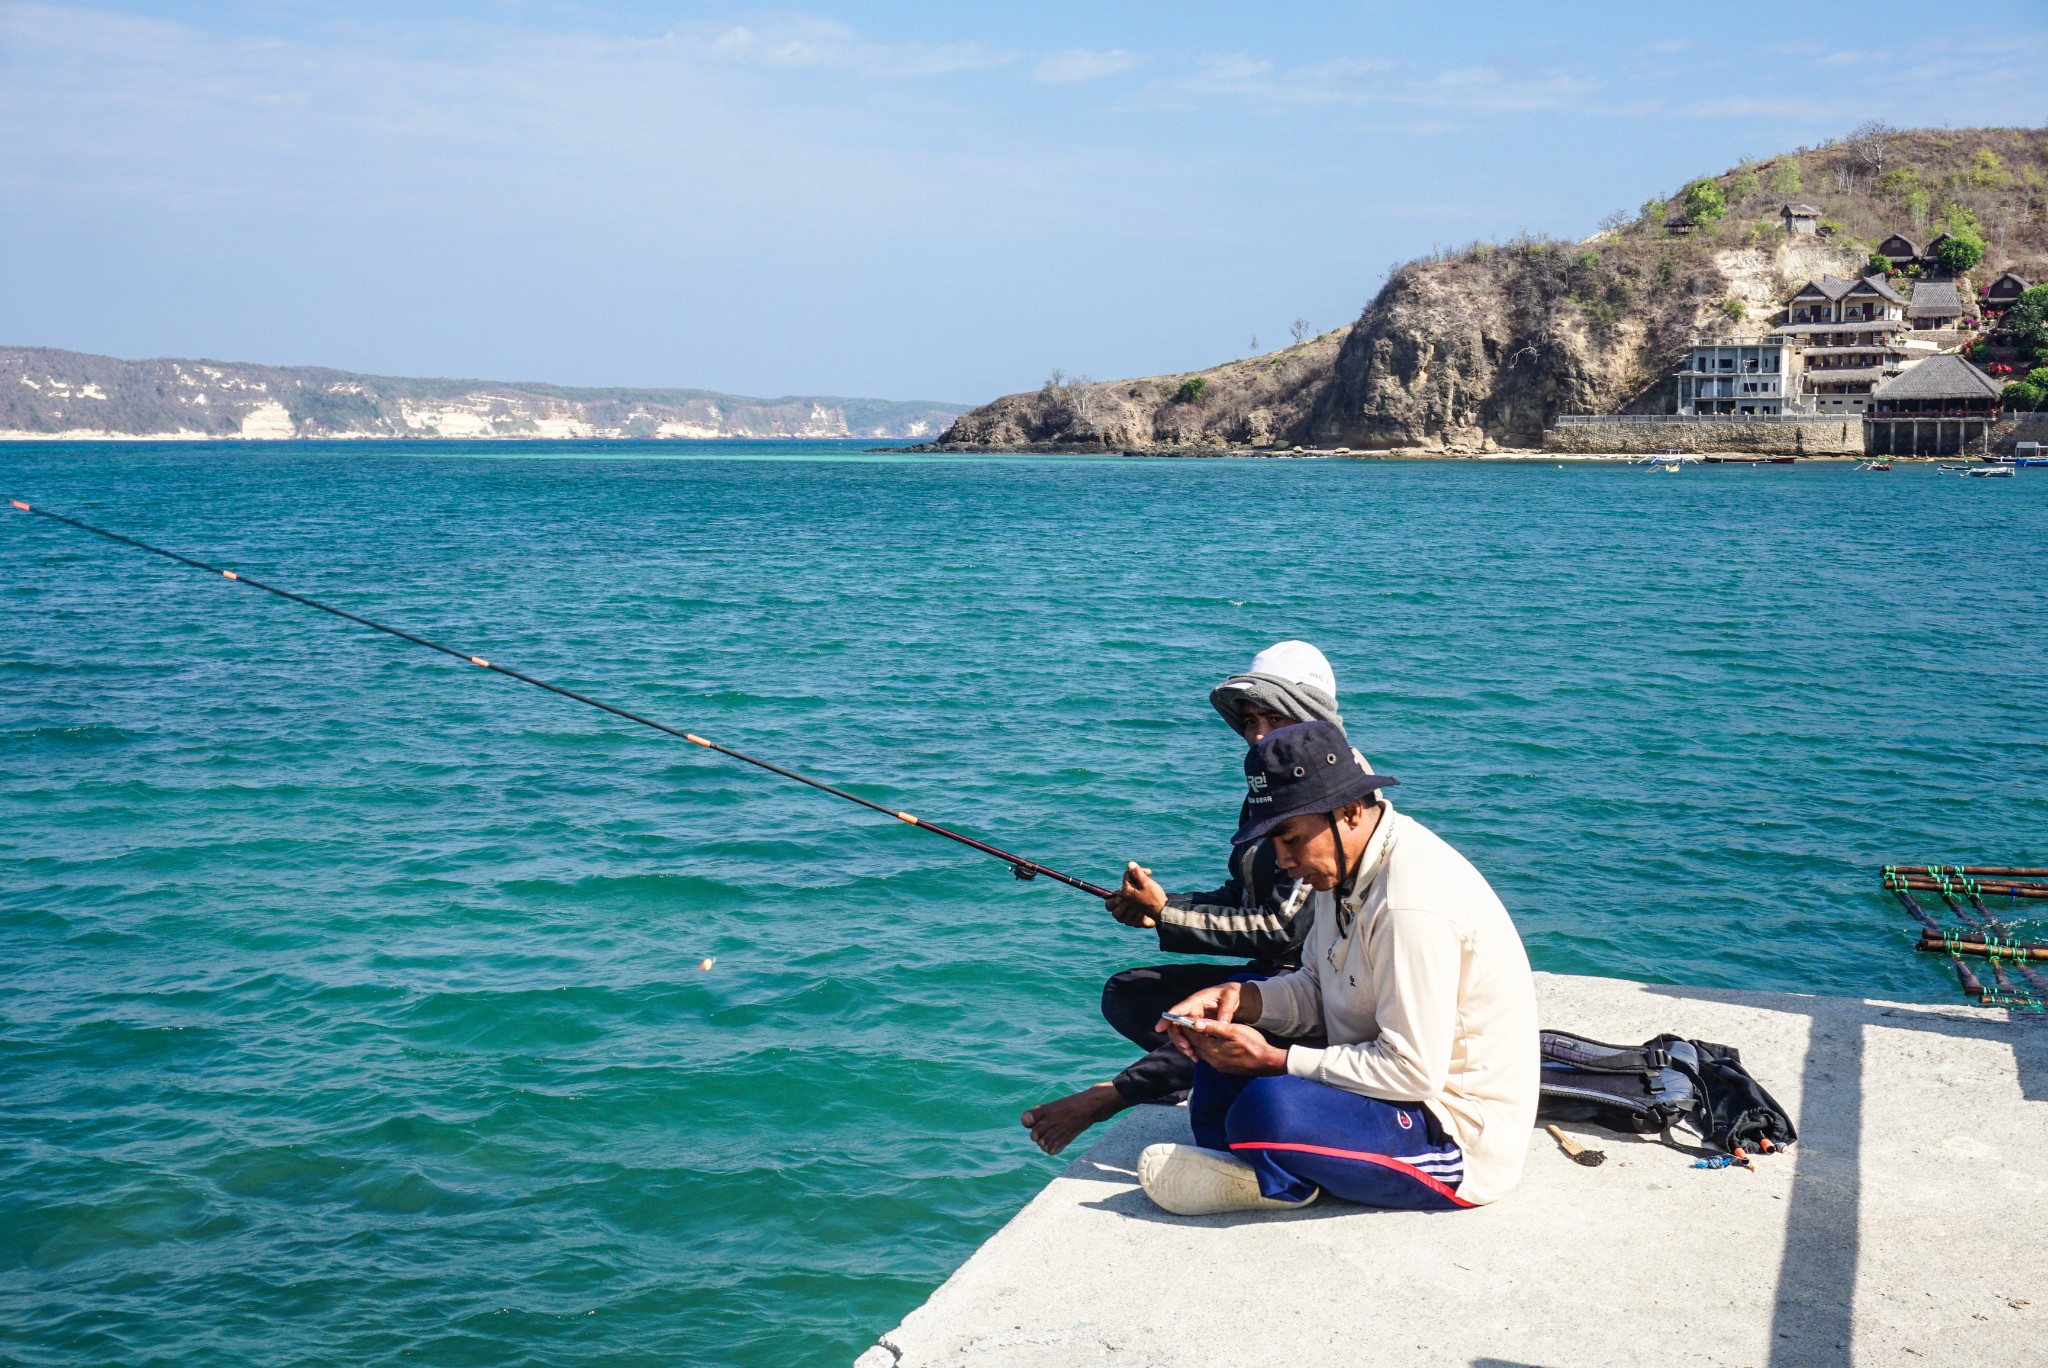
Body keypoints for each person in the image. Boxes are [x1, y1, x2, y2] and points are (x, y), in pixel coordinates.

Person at [1137, 720, 1538, 1215]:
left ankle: (1276, 1176)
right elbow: (1317, 985)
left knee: (1269, 1108)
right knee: (1232, 1016)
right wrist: (1245, 1001)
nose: (1282, 860)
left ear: (1349, 812)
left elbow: (1414, 1073)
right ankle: (1253, 1165)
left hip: (1454, 1135)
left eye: (1291, 839)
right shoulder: (1344, 868)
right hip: (1384, 1085)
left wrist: (1278, 1062)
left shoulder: (1412, 907)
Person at [1021, 642, 1362, 1155]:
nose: (1259, 734)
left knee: (1223, 1013)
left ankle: (1112, 1096)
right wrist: (1158, 910)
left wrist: (1168, 914)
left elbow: (1283, 928)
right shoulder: (1266, 787)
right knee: (1129, 994)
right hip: (1272, 976)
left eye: (1275, 717)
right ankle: (1184, 1075)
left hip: (1316, 991)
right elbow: (1243, 895)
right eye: (1250, 721)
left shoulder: (1332, 793)